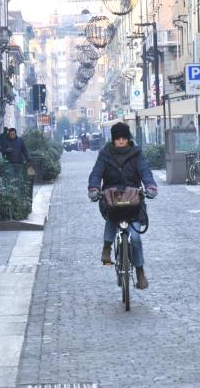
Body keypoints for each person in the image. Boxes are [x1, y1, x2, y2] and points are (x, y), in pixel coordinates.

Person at [86, 122, 157, 290]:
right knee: (112, 215)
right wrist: (94, 188)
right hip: (112, 197)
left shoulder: (136, 154)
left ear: (128, 138)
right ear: (113, 140)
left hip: (133, 199)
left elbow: (145, 171)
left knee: (136, 238)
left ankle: (140, 272)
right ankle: (107, 247)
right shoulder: (105, 154)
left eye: (124, 138)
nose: (121, 141)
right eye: (118, 138)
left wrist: (151, 186)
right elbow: (96, 173)